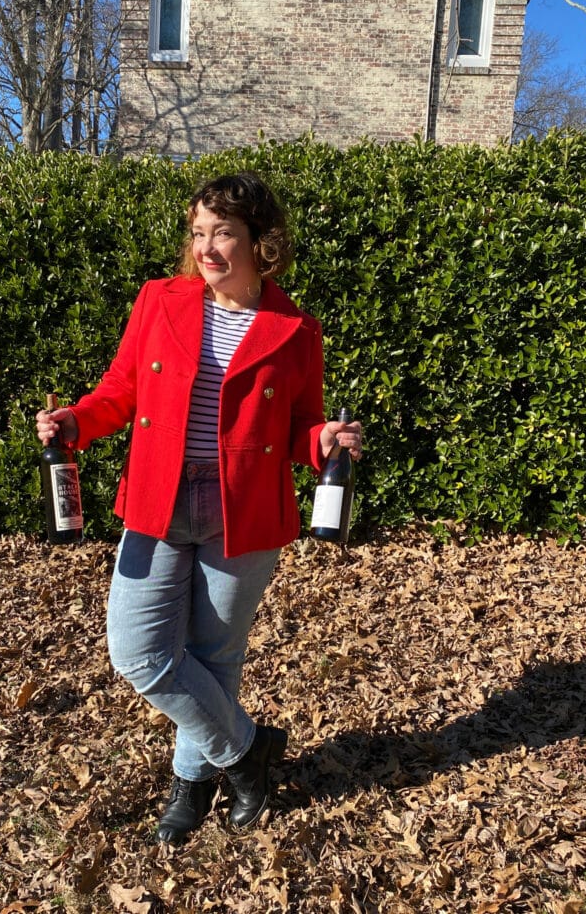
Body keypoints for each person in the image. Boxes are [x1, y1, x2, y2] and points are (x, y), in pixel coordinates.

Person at [36, 172, 362, 845]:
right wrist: (76, 420)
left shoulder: (296, 329)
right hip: (157, 500)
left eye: (223, 233)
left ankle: (190, 786)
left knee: (216, 656)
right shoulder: (160, 302)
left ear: (260, 244)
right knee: (138, 653)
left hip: (245, 511)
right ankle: (246, 753)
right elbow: (118, 392)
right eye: (199, 231)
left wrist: (322, 438)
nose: (206, 246)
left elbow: (301, 425)